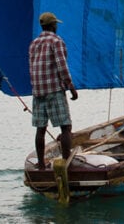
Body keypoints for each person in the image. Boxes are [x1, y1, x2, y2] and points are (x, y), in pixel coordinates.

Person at [29, 11, 78, 170]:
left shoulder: (34, 43)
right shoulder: (56, 41)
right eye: (55, 24)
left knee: (40, 129)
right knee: (65, 126)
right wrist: (71, 87)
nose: (57, 26)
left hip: (38, 92)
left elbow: (32, 68)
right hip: (54, 90)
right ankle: (66, 162)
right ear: (52, 25)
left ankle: (41, 164)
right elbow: (62, 67)